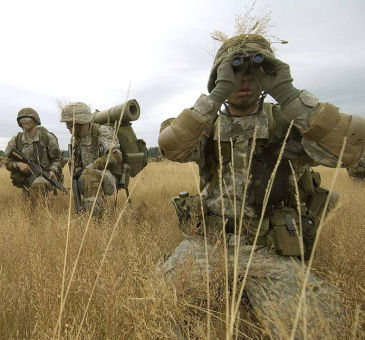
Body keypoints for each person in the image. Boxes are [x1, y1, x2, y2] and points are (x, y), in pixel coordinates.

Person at [158, 34, 365, 337]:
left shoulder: (290, 122)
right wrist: (216, 96)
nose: (245, 78)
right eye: (234, 71)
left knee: (319, 328)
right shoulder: (206, 124)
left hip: (269, 251)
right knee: (159, 309)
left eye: (254, 70)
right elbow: (170, 146)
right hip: (207, 244)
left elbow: (352, 147)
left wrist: (287, 93)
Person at [60, 102, 123, 216]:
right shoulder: (75, 139)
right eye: (67, 125)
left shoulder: (102, 131)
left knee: (89, 176)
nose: (69, 128)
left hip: (108, 175)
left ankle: (93, 221)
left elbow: (116, 156)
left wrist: (93, 166)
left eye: (70, 124)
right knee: (85, 178)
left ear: (81, 122)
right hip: (86, 176)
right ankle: (87, 211)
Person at [5, 108, 64, 196]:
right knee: (29, 206)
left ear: (35, 121)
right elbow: (7, 161)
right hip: (26, 178)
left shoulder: (47, 138)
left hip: (46, 175)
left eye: (28, 119)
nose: (25, 122)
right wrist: (18, 165)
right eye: (22, 120)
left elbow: (58, 159)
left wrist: (53, 170)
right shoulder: (17, 140)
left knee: (39, 186)